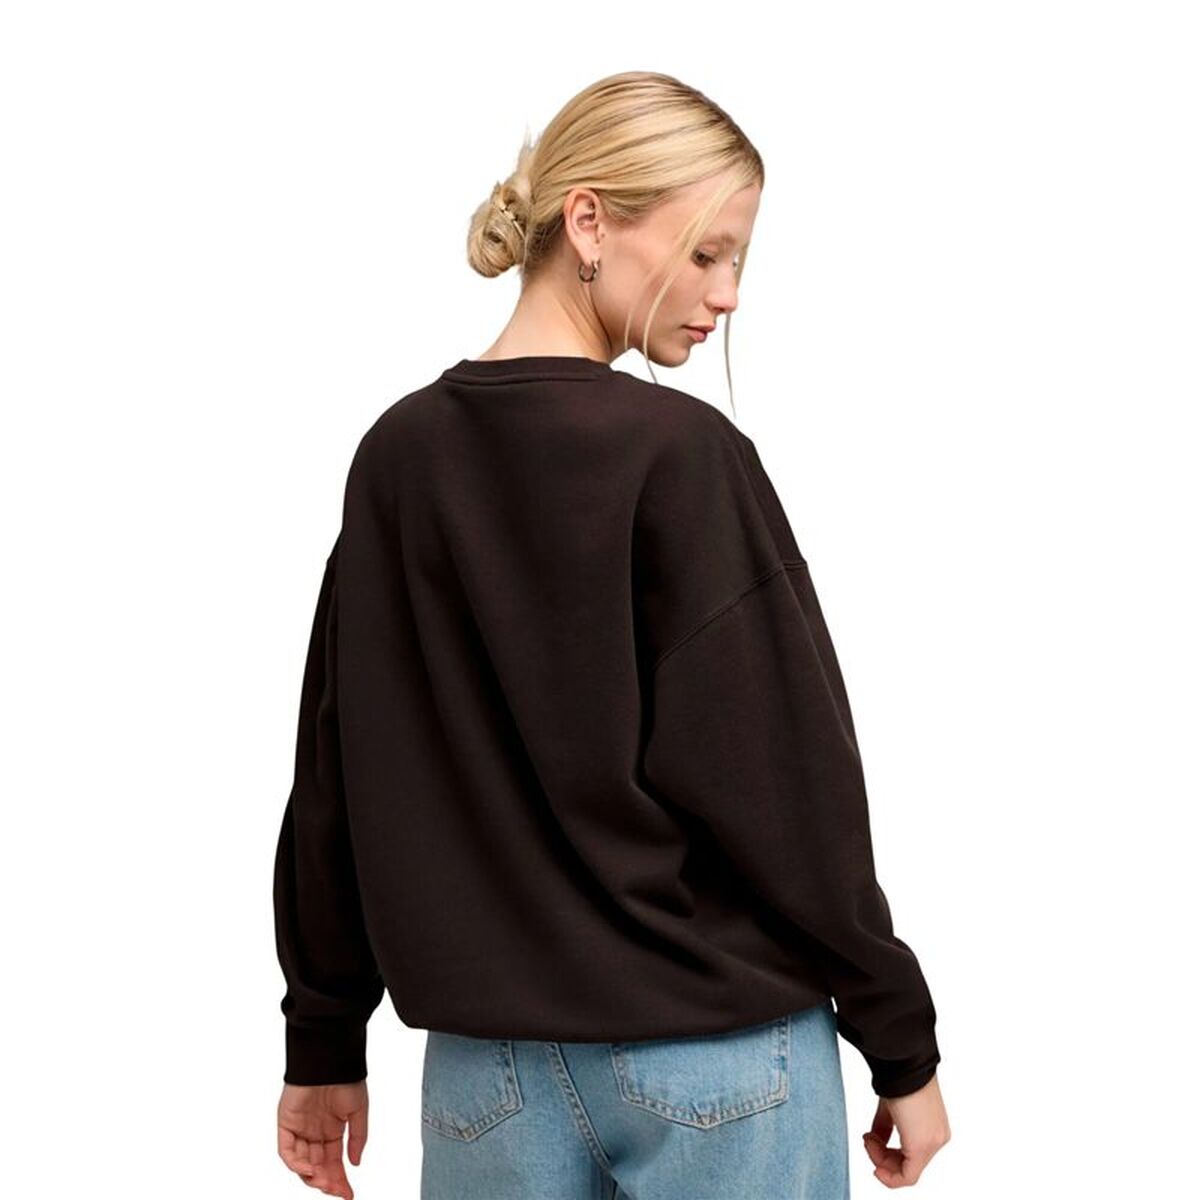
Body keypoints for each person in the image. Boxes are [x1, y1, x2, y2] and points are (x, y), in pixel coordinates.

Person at [273, 70, 951, 1200]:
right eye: (706, 252)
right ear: (587, 221)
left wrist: (323, 1037)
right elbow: (786, 784)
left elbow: (337, 769)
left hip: (488, 1079)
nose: (727, 293)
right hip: (716, 1055)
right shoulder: (681, 457)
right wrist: (902, 1041)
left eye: (739, 261)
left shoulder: (397, 458)